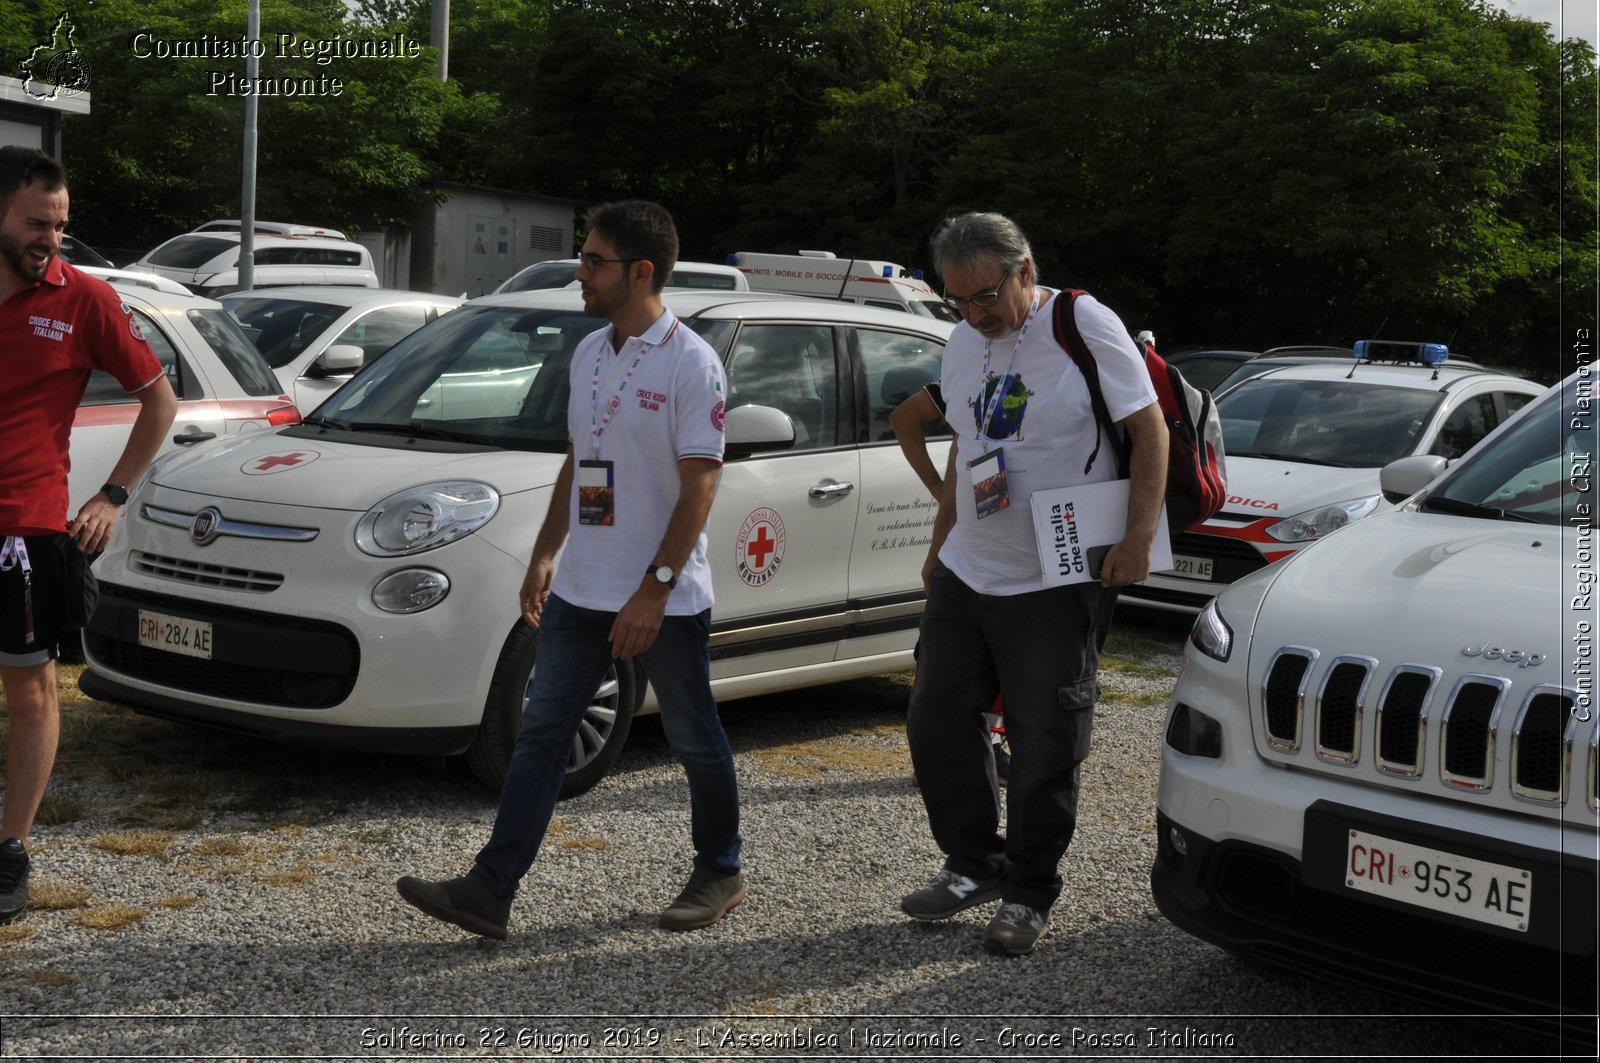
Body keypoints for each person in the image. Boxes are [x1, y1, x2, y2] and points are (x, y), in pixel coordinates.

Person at [397, 200, 743, 940]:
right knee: (542, 734)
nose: (580, 273)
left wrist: (653, 589)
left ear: (641, 272)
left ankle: (720, 865)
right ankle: (491, 888)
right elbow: (579, 461)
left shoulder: (692, 362)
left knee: (693, 735)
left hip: (665, 597)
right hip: (583, 589)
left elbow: (701, 486)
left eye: (594, 261)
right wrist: (546, 550)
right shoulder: (590, 352)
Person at [900, 212, 1166, 955]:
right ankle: (971, 862)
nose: (974, 313)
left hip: (1058, 572)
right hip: (970, 567)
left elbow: (1149, 428)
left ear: (1025, 270)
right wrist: (940, 538)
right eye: (958, 300)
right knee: (935, 717)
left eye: (985, 296)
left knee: (1045, 737)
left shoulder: (1082, 323)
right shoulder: (961, 343)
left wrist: (1139, 535)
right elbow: (967, 444)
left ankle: (1028, 888)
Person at [0, 145, 177, 924]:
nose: (53, 239)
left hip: (25, 530)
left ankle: (10, 850)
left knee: (31, 690)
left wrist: (112, 494)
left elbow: (160, 402)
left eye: (62, 224)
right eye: (39, 223)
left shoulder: (86, 299)